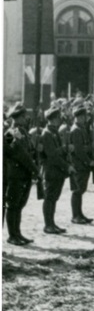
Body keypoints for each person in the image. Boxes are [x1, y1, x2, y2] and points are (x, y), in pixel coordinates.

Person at [3, 103, 39, 245]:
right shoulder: (9, 134)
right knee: (13, 205)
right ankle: (12, 235)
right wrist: (34, 168)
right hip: (15, 174)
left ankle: (17, 233)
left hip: (25, 173)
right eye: (24, 116)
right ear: (16, 118)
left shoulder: (24, 132)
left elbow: (29, 151)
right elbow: (18, 154)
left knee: (20, 204)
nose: (26, 118)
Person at [40, 106, 72, 234]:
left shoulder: (54, 132)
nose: (60, 120)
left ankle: (52, 223)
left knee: (54, 198)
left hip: (57, 170)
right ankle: (48, 225)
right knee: (49, 198)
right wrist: (66, 165)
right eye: (58, 118)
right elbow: (52, 155)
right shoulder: (47, 133)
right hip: (51, 170)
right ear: (52, 119)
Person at [68, 105, 94, 224]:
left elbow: (87, 146)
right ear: (76, 117)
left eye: (84, 116)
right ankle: (75, 215)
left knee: (81, 190)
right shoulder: (76, 130)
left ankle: (79, 213)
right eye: (81, 116)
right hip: (79, 164)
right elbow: (79, 150)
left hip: (83, 164)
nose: (84, 118)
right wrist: (88, 161)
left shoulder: (82, 128)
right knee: (77, 191)